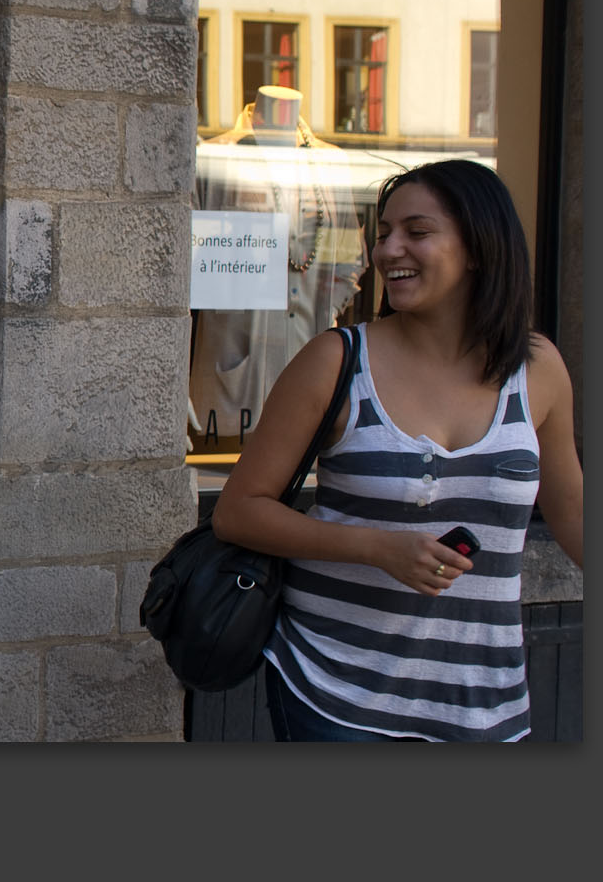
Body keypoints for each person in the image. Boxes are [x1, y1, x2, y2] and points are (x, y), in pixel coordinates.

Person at [214, 158, 583, 742]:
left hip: (484, 707)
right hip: (337, 695)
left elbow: (575, 517)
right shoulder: (336, 360)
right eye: (384, 233)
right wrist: (377, 548)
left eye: (417, 231)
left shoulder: (537, 370)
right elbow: (239, 510)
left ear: (480, 248)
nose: (388, 250)